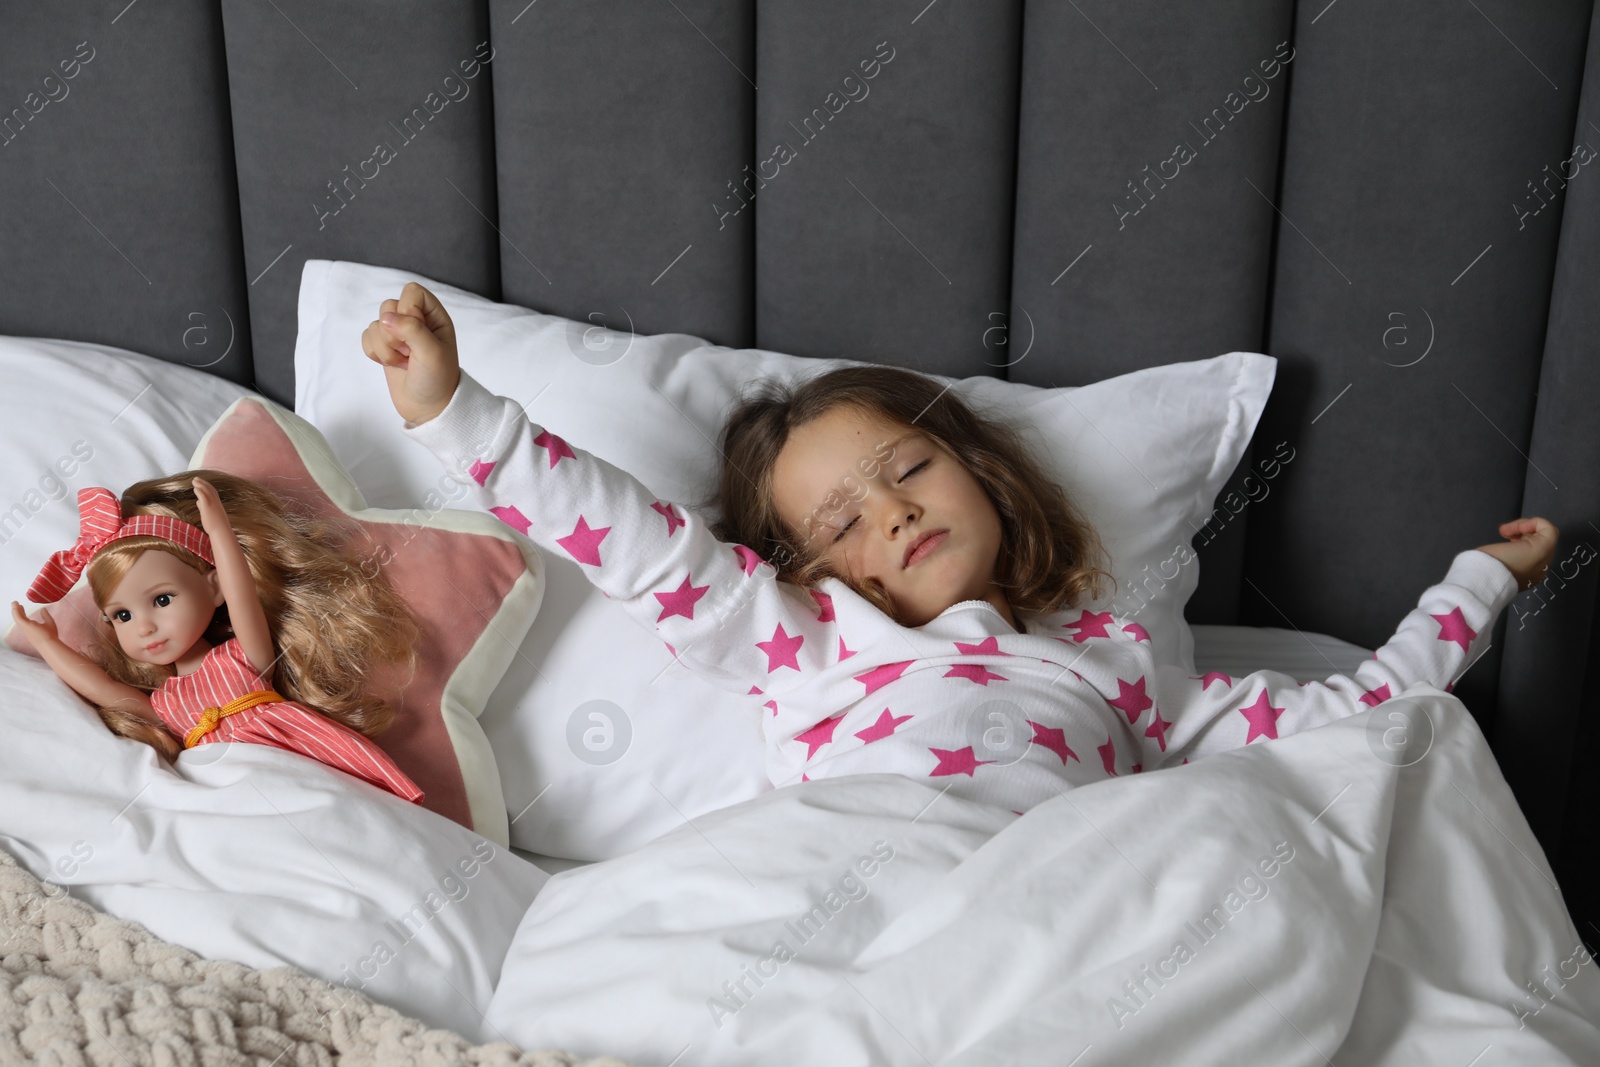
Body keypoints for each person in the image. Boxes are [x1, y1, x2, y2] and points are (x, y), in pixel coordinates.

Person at [363, 282, 1557, 813]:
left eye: (911, 468)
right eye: (838, 522)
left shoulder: (1127, 660)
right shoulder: (802, 634)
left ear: (980, 471)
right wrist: (457, 412)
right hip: (843, 861)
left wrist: (1479, 580)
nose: (887, 513)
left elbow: (1354, 707)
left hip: (1058, 881)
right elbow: (631, 540)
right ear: (810, 568)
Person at [10, 471, 425, 804]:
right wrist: (49, 644)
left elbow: (241, 591)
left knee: (332, 806)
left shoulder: (241, 659)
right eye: (122, 615)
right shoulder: (166, 703)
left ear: (212, 587)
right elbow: (103, 689)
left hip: (290, 760)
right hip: (221, 788)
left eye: (162, 599)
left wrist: (219, 530)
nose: (144, 627)